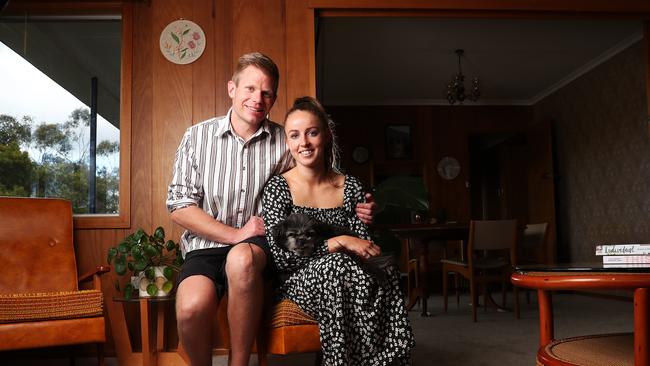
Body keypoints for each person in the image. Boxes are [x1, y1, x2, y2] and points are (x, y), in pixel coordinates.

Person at [166, 52, 375, 366]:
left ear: (274, 98)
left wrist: (357, 205)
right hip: (205, 245)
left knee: (242, 259)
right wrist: (235, 233)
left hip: (259, 245)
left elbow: (323, 179)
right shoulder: (197, 137)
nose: (257, 98)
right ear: (232, 89)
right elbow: (180, 207)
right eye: (249, 89)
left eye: (266, 93)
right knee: (191, 307)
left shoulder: (286, 138)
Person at [262, 96, 415, 366]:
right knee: (338, 266)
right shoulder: (278, 188)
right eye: (295, 135)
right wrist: (338, 242)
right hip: (297, 279)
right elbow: (282, 257)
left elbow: (364, 245)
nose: (304, 143)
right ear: (287, 142)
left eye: (312, 132)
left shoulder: (350, 186)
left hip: (347, 270)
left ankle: (391, 360)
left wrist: (357, 238)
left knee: (385, 268)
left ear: (326, 135)